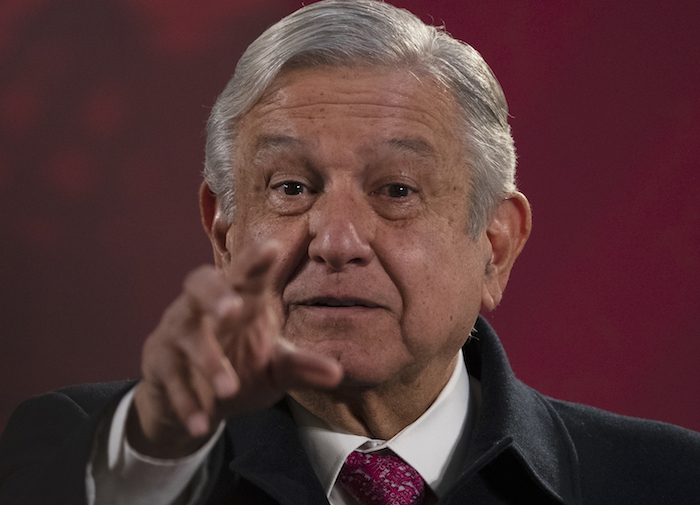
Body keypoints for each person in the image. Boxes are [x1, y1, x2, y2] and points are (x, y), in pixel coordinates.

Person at [1, 1, 699, 504]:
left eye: (396, 189)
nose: (335, 240)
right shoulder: (90, 451)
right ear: (223, 231)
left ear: (495, 244)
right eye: (292, 187)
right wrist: (152, 465)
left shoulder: (668, 479)